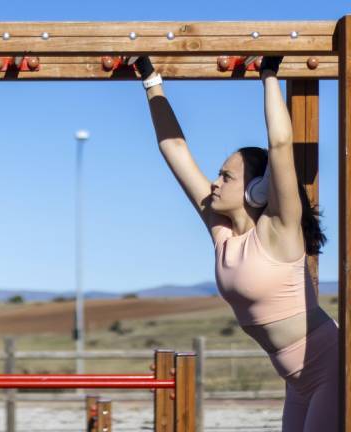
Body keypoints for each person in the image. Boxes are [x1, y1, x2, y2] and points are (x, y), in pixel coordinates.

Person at [135, 55, 337, 431]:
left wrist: (268, 76)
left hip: (330, 369)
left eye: (226, 176)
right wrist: (151, 82)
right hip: (294, 381)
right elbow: (174, 150)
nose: (214, 182)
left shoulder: (279, 230)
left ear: (258, 190)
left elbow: (280, 144)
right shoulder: (221, 232)